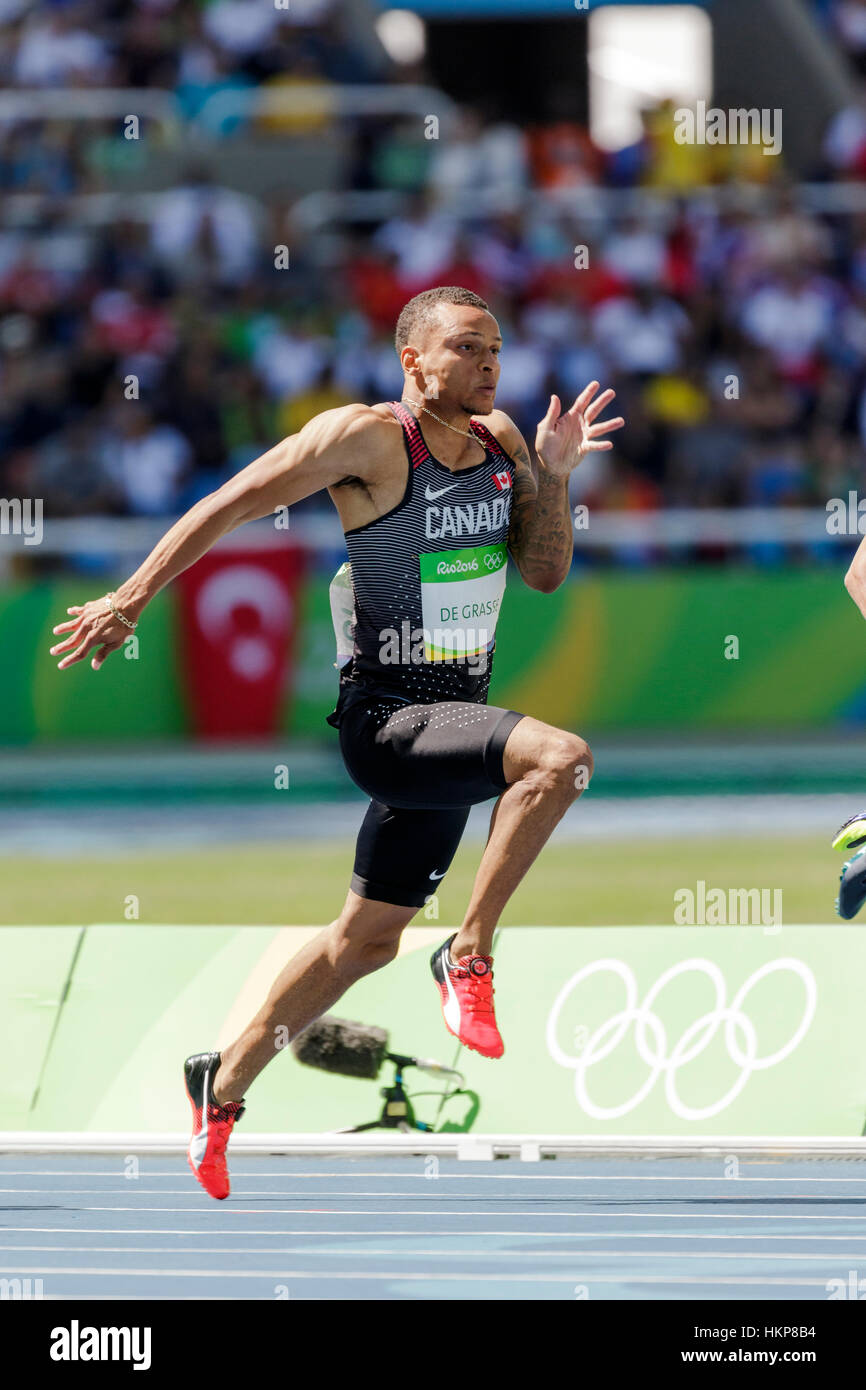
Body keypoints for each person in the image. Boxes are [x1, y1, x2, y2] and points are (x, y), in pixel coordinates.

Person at [49, 285, 623, 1198]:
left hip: (456, 724)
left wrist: (551, 477)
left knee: (365, 941)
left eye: (497, 350)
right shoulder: (365, 438)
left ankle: (222, 1084)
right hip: (388, 721)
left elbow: (546, 574)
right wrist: (131, 598)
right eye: (469, 348)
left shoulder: (501, 443)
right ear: (414, 360)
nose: (488, 365)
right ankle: (469, 954)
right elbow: (231, 502)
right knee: (562, 758)